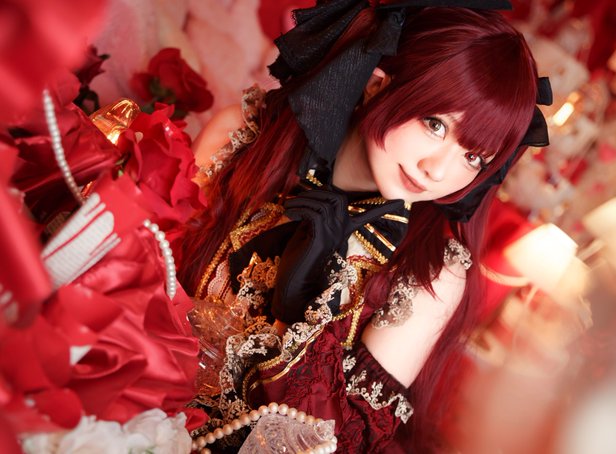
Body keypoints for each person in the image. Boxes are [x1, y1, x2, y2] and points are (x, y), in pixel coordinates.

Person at [179, 1, 552, 452]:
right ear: (378, 85)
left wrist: (302, 311)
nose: (438, 170)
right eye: (435, 125)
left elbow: (335, 444)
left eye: (473, 157)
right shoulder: (244, 138)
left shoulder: (433, 275)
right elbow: (139, 263)